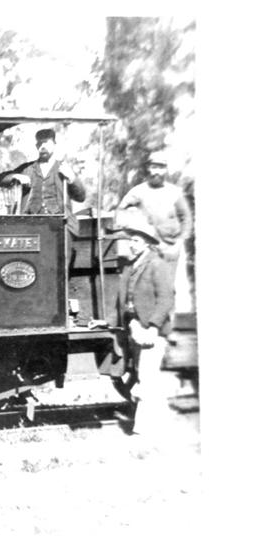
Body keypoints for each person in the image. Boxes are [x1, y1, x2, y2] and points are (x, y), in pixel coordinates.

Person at [116, 217, 175, 437]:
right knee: (143, 375)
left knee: (147, 377)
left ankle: (145, 429)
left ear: (148, 243)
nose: (132, 244)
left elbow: (166, 299)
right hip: (134, 328)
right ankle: (160, 424)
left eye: (136, 241)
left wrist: (153, 327)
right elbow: (122, 300)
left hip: (150, 331)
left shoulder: (157, 264)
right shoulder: (130, 267)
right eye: (131, 240)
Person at [116, 150, 193, 282]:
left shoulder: (174, 192)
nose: (157, 172)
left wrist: (178, 244)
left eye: (161, 167)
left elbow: (186, 219)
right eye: (154, 167)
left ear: (166, 170)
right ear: (147, 168)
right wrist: (133, 234)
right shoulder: (138, 191)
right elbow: (120, 212)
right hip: (147, 251)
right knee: (145, 286)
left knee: (171, 287)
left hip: (172, 249)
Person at [0, 128, 86, 236]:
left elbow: (81, 197)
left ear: (54, 144)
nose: (43, 146)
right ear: (36, 146)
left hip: (61, 227)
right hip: (31, 227)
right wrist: (16, 176)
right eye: (40, 143)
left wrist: (72, 177)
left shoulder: (64, 168)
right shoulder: (27, 169)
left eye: (46, 143)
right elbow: (0, 179)